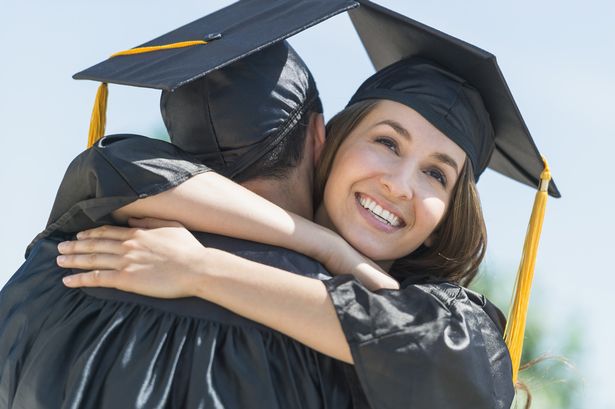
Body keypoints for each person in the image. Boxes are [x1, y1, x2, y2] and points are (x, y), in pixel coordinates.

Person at [54, 2, 562, 407]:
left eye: (436, 174)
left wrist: (202, 270)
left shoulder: (456, 321)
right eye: (387, 142)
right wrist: (320, 244)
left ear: (444, 220)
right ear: (330, 144)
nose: (401, 185)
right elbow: (119, 169)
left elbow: (437, 358)